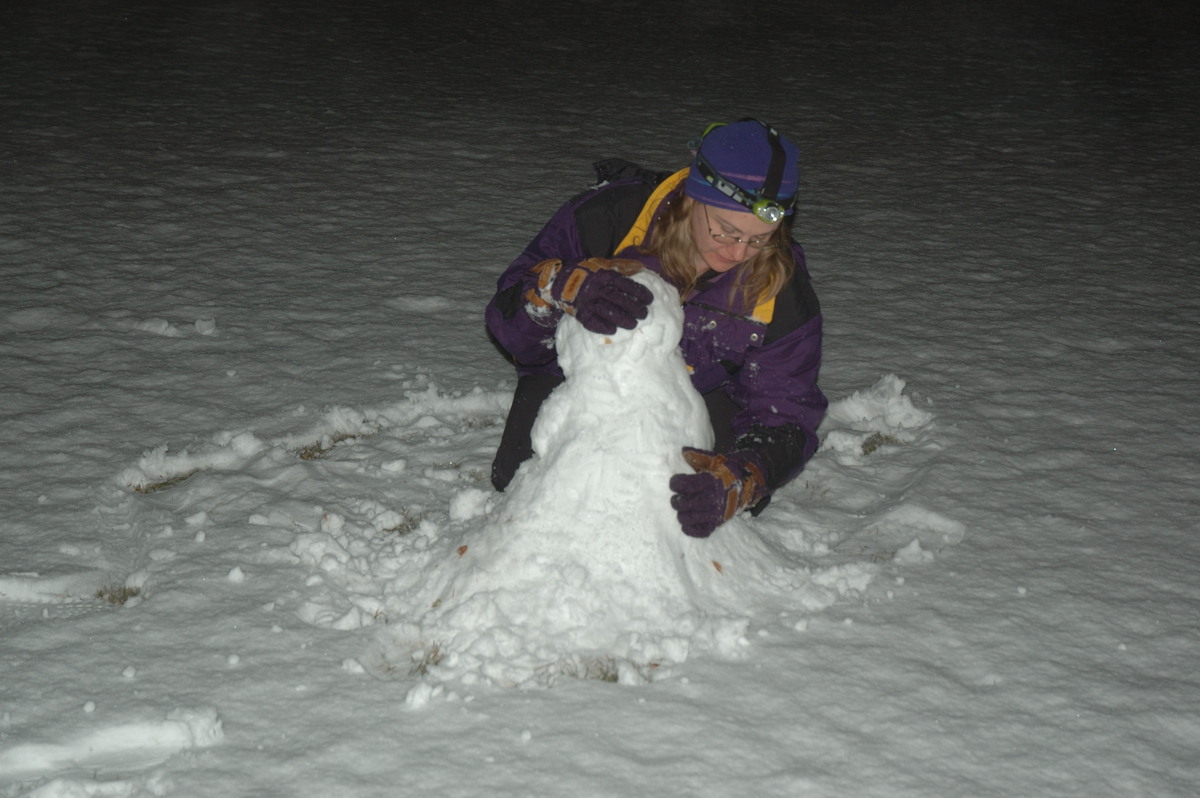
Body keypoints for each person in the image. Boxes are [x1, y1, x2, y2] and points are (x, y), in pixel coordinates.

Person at [485, 119, 827, 538]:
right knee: (523, 481)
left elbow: (786, 412)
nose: (739, 251)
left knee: (686, 513)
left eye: (760, 239)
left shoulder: (781, 285)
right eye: (727, 230)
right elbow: (509, 329)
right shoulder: (610, 220)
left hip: (695, 396)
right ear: (694, 196)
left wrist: (745, 475)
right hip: (576, 384)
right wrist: (555, 288)